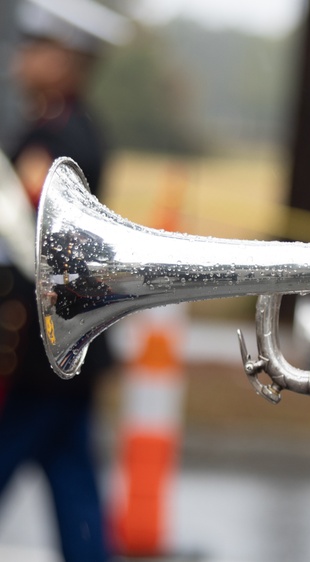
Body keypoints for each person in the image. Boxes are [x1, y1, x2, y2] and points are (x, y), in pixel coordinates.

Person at [0, 1, 132, 561]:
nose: (22, 59)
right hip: (55, 347)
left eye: (36, 49)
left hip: (35, 346)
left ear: (66, 61)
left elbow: (31, 243)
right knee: (71, 478)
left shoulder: (58, 137)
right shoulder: (63, 126)